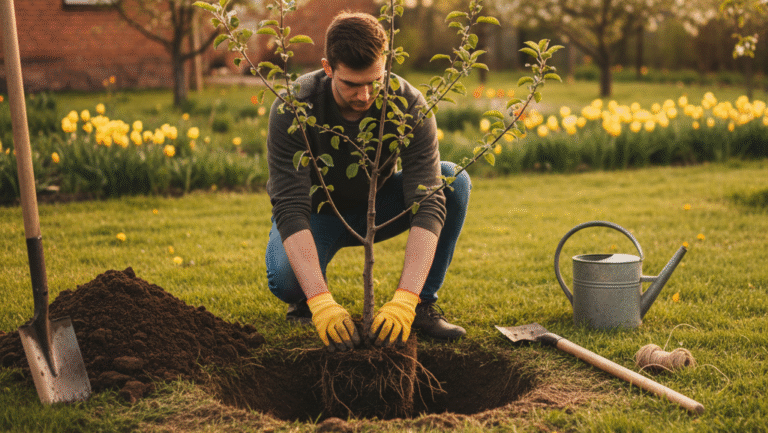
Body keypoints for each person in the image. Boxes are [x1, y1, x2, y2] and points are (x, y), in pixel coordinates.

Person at [265, 11, 471, 352]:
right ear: (328, 68)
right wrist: (320, 301)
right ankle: (306, 301)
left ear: (386, 64)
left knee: (451, 181)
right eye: (351, 84)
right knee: (288, 281)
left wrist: (405, 297)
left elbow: (428, 200)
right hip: (319, 214)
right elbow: (290, 205)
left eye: (373, 81)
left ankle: (421, 305)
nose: (364, 96)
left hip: (381, 206)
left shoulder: (407, 104)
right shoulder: (295, 106)